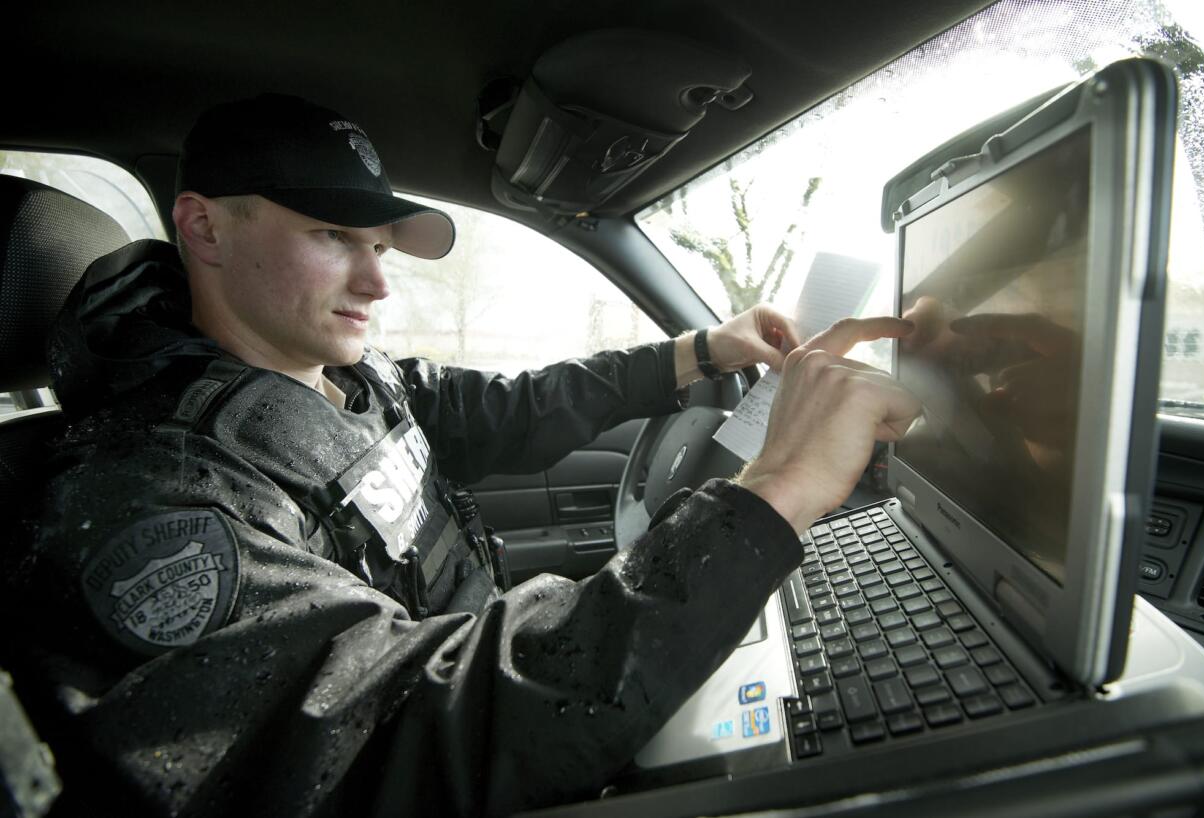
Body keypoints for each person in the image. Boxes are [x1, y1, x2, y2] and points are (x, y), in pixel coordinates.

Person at [12, 94, 918, 817]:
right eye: (333, 238)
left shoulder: (347, 379)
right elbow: (389, 736)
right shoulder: (154, 496)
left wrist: (706, 351)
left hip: (506, 702)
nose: (376, 281)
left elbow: (513, 409)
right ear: (205, 230)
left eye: (376, 244)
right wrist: (778, 492)